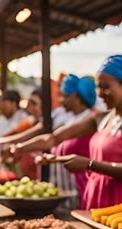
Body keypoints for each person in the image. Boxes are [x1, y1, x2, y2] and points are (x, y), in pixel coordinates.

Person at [9, 55, 122, 209]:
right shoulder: (102, 118)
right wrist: (21, 147)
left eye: (105, 87)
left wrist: (89, 164)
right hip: (98, 196)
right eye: (98, 87)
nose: (99, 94)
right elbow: (55, 138)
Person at [49, 74, 96, 208]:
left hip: (81, 192)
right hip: (65, 193)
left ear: (76, 96)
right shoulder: (69, 119)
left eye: (64, 96)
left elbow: (53, 139)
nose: (61, 100)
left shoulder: (90, 119)